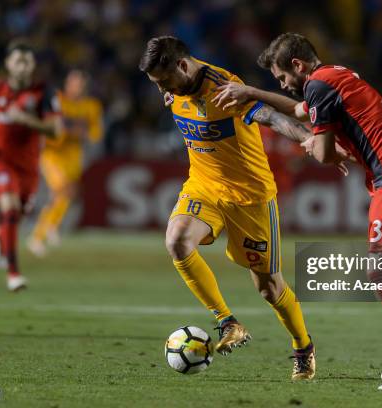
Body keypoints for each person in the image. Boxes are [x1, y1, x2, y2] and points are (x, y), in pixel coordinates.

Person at [213, 33, 382, 390]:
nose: (284, 86)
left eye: (283, 78)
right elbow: (301, 111)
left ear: (297, 66)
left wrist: (318, 146)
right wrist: (253, 93)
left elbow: (322, 152)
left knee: (381, 269)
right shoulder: (332, 76)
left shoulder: (318, 86)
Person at [138, 36, 338, 380]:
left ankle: (303, 347)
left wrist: (308, 138)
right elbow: (173, 94)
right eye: (157, 84)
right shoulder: (174, 87)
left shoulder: (227, 89)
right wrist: (169, 89)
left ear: (183, 67)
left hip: (250, 197)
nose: (162, 90)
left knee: (269, 288)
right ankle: (228, 322)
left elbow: (273, 119)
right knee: (177, 241)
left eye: (165, 82)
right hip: (204, 185)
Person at [0, 39, 62, 291]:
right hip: (2, 161)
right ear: (8, 64)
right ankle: (14, 274)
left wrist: (26, 120)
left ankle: (0, 235)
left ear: (33, 65)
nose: (22, 66)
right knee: (9, 211)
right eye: (18, 60)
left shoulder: (44, 92)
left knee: (18, 215)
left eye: (27, 61)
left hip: (29, 167)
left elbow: (55, 131)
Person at [28, 69, 103, 256]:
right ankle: (36, 237)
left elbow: (95, 134)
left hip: (73, 156)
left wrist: (71, 130)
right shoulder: (57, 100)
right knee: (61, 191)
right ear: (68, 83)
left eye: (81, 83)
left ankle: (52, 225)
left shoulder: (91, 106)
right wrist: (75, 130)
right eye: (75, 82)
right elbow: (49, 127)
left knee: (68, 194)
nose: (78, 87)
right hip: (52, 154)